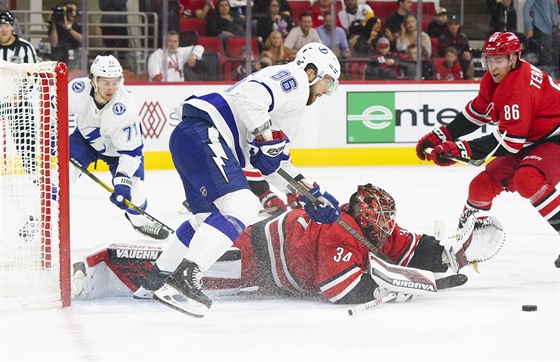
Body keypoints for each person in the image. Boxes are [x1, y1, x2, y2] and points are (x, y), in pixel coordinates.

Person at [143, 42, 342, 318]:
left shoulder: (290, 110)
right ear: (312, 72)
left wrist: (310, 194)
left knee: (206, 219)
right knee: (243, 207)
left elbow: (277, 164)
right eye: (329, 84)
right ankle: (183, 280)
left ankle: (155, 279)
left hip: (193, 137)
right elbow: (249, 97)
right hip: (207, 133)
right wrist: (264, 138)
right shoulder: (294, 81)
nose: (326, 93)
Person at [76, 184, 505, 303]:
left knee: (200, 245)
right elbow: (338, 290)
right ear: (366, 218)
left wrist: (445, 258)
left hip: (273, 245)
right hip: (254, 253)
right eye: (382, 221)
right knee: (198, 266)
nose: (389, 228)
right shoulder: (341, 232)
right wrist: (390, 285)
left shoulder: (372, 226)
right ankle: (114, 270)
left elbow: (407, 245)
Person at [415, 32, 560, 268]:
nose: (493, 66)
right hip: (533, 138)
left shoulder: (519, 87)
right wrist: (441, 135)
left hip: (555, 138)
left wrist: (461, 149)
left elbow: (509, 143)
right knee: (480, 187)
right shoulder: (495, 80)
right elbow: (476, 114)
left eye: (499, 60)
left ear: (514, 59)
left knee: (527, 179)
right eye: (489, 60)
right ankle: (464, 245)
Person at [68, 55, 169, 240]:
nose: (111, 88)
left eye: (115, 82)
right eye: (106, 82)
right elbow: (54, 110)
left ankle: (139, 222)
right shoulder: (77, 89)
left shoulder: (124, 106)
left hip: (118, 152)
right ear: (93, 79)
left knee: (134, 195)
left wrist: (123, 182)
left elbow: (131, 152)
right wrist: (51, 136)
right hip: (85, 141)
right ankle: (41, 218)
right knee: (62, 176)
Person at [0, 10, 40, 240]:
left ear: (12, 27)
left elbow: (34, 74)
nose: (4, 29)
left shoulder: (24, 48)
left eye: (7, 25)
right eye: (0, 25)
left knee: (27, 154)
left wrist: (21, 95)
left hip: (20, 108)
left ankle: (36, 190)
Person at [523, 0, 559, 77]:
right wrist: (529, 28)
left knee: (555, 57)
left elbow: (555, 8)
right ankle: (544, 83)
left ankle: (554, 83)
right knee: (545, 60)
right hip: (542, 28)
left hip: (554, 28)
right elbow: (526, 9)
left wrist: (558, 24)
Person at [437, 14, 474, 79]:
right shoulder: (443, 37)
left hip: (460, 61)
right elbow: (440, 54)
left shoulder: (463, 37)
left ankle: (469, 83)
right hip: (447, 62)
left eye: (456, 24)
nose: (453, 27)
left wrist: (469, 56)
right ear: (448, 25)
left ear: (459, 25)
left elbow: (467, 51)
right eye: (451, 24)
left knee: (470, 64)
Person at [48, 1, 82, 70]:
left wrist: (68, 28)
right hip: (58, 56)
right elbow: (54, 44)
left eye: (74, 10)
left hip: (74, 57)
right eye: (69, 10)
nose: (72, 13)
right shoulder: (56, 26)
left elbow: (82, 39)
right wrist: (54, 24)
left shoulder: (78, 26)